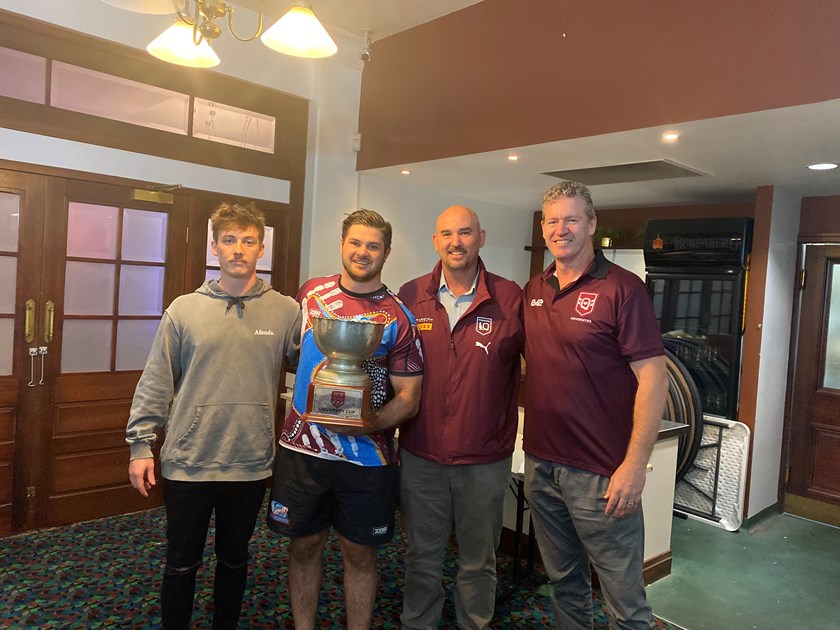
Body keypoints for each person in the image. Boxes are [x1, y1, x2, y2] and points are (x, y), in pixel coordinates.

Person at [126, 202, 301, 630]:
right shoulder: (184, 310)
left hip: (250, 462)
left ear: (261, 248)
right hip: (189, 464)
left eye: (248, 240)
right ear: (214, 246)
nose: (238, 249)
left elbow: (313, 367)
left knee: (235, 561)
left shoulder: (286, 311)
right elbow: (156, 381)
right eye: (229, 240)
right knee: (181, 563)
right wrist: (139, 444)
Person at [267, 209, 424, 630]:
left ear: (386, 253)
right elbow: (289, 355)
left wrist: (369, 423)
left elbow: (409, 397)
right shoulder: (310, 295)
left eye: (373, 245)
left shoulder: (398, 316)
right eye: (355, 242)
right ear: (341, 244)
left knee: (359, 554)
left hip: (366, 459)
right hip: (303, 451)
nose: (362, 252)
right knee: (304, 546)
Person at [523, 181, 668, 630]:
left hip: (602, 473)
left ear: (590, 224)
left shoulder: (622, 289)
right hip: (542, 465)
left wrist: (634, 465)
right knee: (564, 584)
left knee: (625, 603)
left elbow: (653, 377)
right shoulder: (534, 288)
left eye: (570, 219)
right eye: (552, 220)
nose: (560, 229)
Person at [396, 205, 524, 629]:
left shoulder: (510, 298)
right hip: (420, 456)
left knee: (478, 562)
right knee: (421, 557)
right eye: (447, 234)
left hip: (484, 462)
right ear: (435, 241)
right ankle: (419, 623)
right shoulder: (411, 295)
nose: (456, 242)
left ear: (481, 238)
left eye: (465, 233)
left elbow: (539, 369)